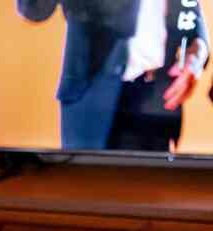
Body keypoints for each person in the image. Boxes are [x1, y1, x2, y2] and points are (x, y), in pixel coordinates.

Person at [17, 0, 209, 151]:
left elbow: (194, 23)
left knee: (152, 196)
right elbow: (34, 10)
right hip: (91, 99)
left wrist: (195, 61)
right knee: (87, 195)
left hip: (157, 103)